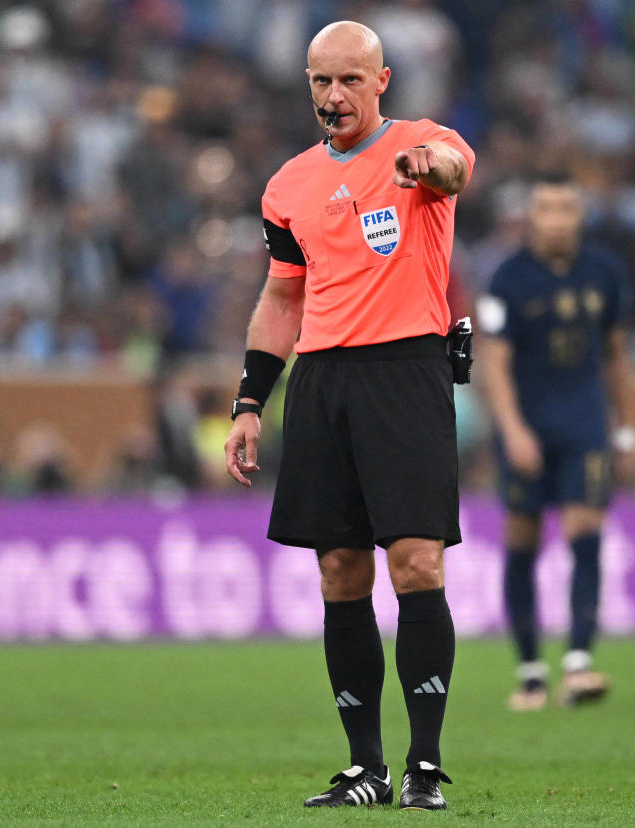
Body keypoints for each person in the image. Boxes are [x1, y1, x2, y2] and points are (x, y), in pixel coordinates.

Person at [223, 21, 474, 811]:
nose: (334, 96)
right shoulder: (288, 185)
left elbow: (457, 170)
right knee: (339, 572)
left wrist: (426, 167)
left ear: (383, 81)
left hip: (405, 371)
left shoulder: (422, 146)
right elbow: (282, 296)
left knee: (417, 565)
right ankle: (365, 766)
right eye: (321, 82)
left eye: (350, 82)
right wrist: (249, 404)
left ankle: (424, 764)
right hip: (323, 379)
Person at [475, 171, 634, 711]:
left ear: (580, 216)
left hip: (586, 422)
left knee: (585, 528)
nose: (558, 218)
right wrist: (513, 429)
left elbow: (615, 355)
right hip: (528, 425)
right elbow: (494, 364)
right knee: (523, 540)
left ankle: (579, 664)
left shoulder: (604, 274)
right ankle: (529, 671)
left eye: (567, 208)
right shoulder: (508, 281)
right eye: (547, 209)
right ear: (530, 219)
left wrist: (625, 427)